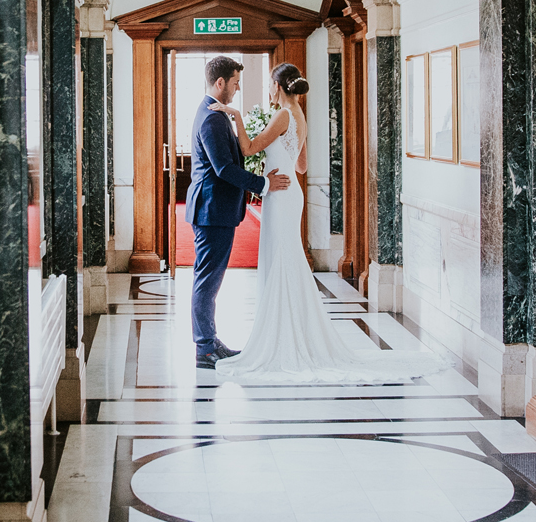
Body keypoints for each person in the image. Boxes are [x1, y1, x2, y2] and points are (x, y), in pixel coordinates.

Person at [213, 62, 443, 383]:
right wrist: (281, 159)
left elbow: (249, 147)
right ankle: (292, 329)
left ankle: (282, 335)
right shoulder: (299, 116)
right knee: (288, 257)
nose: (267, 89)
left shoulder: (282, 115)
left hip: (280, 195)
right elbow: (303, 166)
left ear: (277, 87)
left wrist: (235, 116)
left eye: (268, 84)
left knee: (280, 258)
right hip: (290, 191)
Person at [185, 55, 291, 368]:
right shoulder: (213, 118)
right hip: (212, 211)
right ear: (220, 83)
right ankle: (204, 347)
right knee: (207, 281)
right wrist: (263, 184)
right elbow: (223, 169)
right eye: (235, 82)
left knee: (210, 280)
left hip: (213, 209)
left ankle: (209, 339)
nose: (237, 87)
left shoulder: (213, 112)